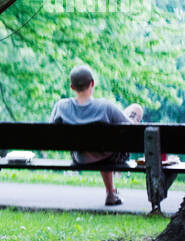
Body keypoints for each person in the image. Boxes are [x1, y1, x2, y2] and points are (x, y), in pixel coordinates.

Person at [49, 64, 143, 206]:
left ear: (72, 87)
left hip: (80, 158)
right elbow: (131, 130)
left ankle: (111, 193)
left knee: (100, 146)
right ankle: (111, 194)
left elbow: (51, 133)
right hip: (109, 157)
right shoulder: (105, 107)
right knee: (135, 109)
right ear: (92, 83)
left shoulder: (61, 106)